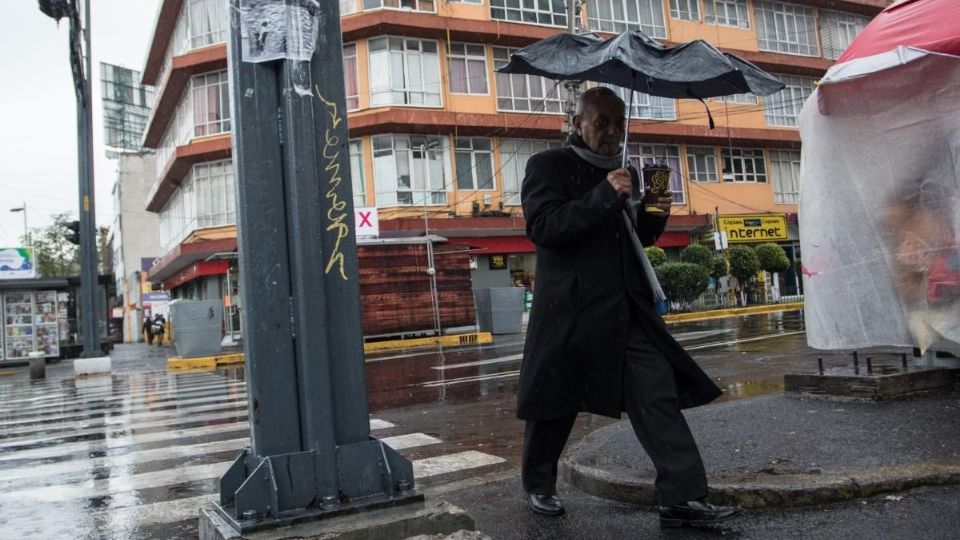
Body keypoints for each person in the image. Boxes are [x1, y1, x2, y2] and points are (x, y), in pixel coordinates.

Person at [518, 87, 739, 527]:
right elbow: (545, 227)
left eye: (619, 123)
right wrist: (603, 193)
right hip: (571, 310)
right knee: (556, 404)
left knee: (656, 394)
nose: (614, 132)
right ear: (578, 123)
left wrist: (656, 210)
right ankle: (538, 483)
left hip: (624, 309)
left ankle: (682, 496)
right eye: (603, 122)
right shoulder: (548, 166)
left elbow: (636, 237)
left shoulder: (626, 173)